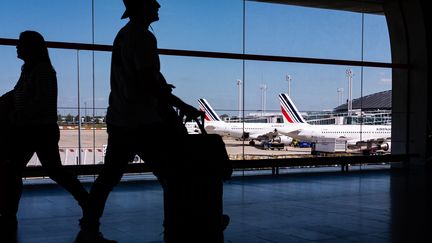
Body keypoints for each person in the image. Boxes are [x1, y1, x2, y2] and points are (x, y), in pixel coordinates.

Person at [75, 0, 201, 242]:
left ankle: (88, 228)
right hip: (143, 121)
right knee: (171, 175)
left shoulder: (124, 35)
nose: (158, 7)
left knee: (107, 180)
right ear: (143, 9)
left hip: (121, 118)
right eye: (153, 4)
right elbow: (147, 80)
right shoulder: (143, 37)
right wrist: (181, 105)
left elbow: (140, 77)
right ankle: (181, 225)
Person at [0, 30, 89, 242]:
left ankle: (8, 216)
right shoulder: (30, 70)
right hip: (31, 129)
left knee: (22, 171)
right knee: (34, 170)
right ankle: (87, 202)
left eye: (20, 43)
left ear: (31, 47)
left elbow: (40, 102)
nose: (16, 47)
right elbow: (17, 94)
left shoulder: (41, 71)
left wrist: (14, 114)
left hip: (37, 129)